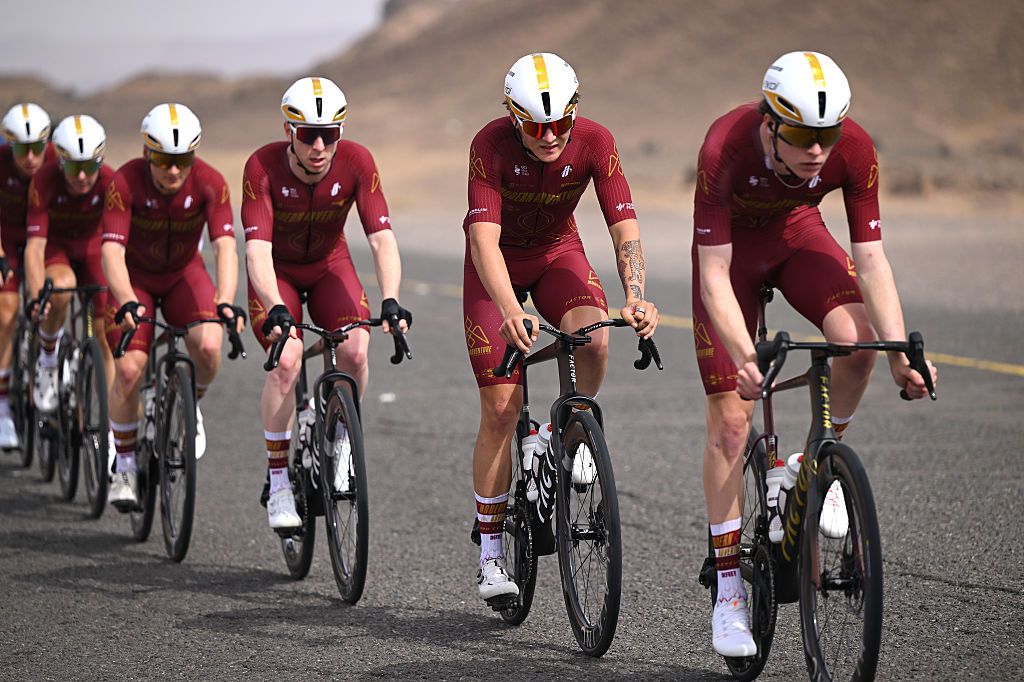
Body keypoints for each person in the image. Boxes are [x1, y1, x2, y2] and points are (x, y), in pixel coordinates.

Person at [691, 51, 939, 656]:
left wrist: (903, 350)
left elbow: (872, 259)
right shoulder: (724, 147)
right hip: (733, 259)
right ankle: (727, 597)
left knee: (859, 345)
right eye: (802, 134)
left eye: (827, 135)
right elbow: (714, 271)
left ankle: (813, 467)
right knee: (730, 423)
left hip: (799, 236)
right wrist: (743, 353)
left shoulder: (853, 149)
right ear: (771, 122)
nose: (818, 151)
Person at [463, 52, 659, 605]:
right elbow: (482, 240)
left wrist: (636, 297)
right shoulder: (490, 145)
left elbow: (624, 227)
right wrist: (508, 307)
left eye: (561, 122)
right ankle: (492, 549)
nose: (550, 136)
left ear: (575, 112)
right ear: (512, 117)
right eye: (535, 125)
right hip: (494, 264)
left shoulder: (595, 141)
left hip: (556, 253)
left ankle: (560, 438)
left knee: (596, 335)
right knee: (501, 408)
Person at [242, 76, 410, 530]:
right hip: (277, 272)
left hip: (329, 265)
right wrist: (275, 306)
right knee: (288, 359)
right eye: (308, 135)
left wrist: (391, 298)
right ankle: (278, 480)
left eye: (330, 134)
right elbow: (256, 250)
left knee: (355, 349)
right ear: (288, 132)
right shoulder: (261, 167)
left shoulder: (357, 161)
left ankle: (339, 442)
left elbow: (381, 239)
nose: (319, 146)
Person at [101, 102, 244, 510]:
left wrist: (225, 302)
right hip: (137, 279)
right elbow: (111, 251)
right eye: (164, 160)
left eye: (183, 159)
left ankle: (188, 402)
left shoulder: (211, 182)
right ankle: (125, 463)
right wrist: (126, 297)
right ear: (148, 152)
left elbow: (225, 248)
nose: (174, 170)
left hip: (184, 273)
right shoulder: (124, 182)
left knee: (210, 345)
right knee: (128, 369)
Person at [25, 114, 115, 416]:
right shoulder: (43, 181)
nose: (81, 177)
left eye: (89, 166)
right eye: (74, 167)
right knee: (60, 289)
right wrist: (40, 297)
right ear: (60, 161)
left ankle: (112, 423)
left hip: (93, 249)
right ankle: (48, 357)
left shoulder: (111, 182)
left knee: (106, 333)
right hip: (56, 247)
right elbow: (35, 248)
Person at [0, 102, 54, 449]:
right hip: (6, 237)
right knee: (6, 310)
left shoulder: (57, 162)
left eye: (38, 147)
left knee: (53, 297)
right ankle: (3, 405)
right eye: (23, 149)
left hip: (43, 238)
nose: (32, 156)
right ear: (9, 144)